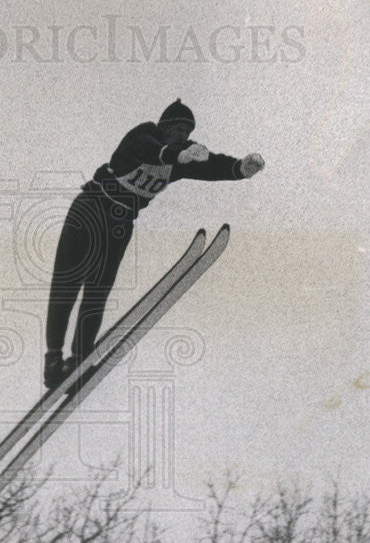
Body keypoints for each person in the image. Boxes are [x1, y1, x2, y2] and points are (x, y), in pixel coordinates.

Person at [43, 98, 265, 388]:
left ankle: (80, 360)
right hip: (91, 210)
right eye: (178, 129)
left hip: (120, 225)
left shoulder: (181, 157)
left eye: (188, 131)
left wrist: (239, 168)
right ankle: (53, 359)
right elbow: (145, 149)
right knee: (68, 284)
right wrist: (176, 154)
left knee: (98, 292)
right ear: (164, 126)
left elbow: (211, 166)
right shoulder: (146, 134)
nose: (183, 135)